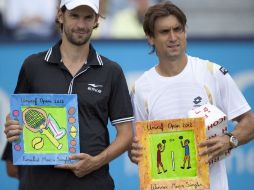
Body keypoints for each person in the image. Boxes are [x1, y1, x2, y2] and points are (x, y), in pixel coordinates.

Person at [4, 0, 134, 190]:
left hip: (94, 185)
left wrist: (96, 162)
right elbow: (16, 123)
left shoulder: (111, 71)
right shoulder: (32, 65)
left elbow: (126, 134)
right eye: (74, 16)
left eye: (88, 17)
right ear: (60, 15)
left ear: (96, 20)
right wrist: (13, 127)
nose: (81, 25)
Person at [129, 1, 254, 190]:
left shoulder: (213, 72)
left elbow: (249, 122)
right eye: (164, 32)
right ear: (150, 38)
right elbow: (136, 150)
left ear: (185, 32)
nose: (173, 37)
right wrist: (134, 153)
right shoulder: (140, 89)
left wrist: (229, 140)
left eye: (178, 29)